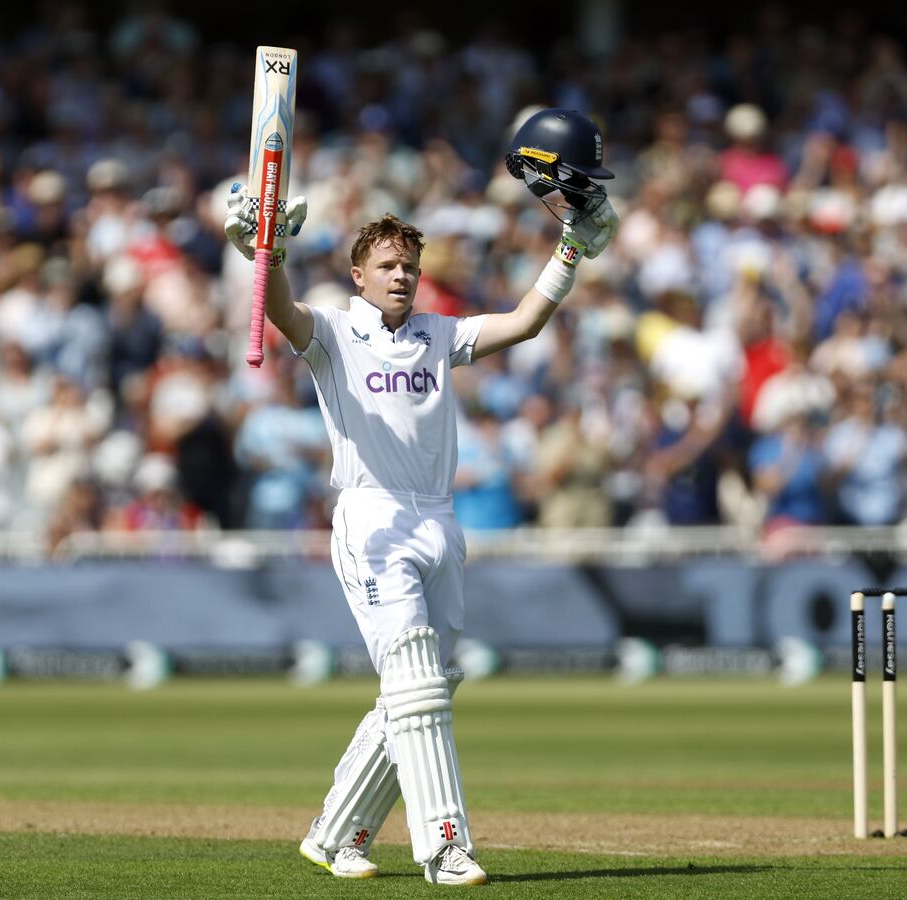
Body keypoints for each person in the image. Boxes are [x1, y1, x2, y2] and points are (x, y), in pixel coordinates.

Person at [225, 108, 618, 885]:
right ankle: (444, 846)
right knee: (413, 678)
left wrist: (572, 247)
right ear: (359, 275)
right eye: (387, 266)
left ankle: (337, 832)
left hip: (439, 520)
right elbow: (279, 311)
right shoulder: (334, 334)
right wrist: (262, 252)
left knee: (430, 684)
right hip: (371, 517)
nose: (402, 275)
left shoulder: (440, 335)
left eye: (410, 265)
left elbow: (529, 322)